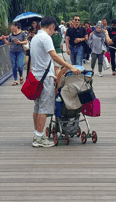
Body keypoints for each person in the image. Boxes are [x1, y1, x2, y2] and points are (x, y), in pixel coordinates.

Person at [30, 16, 81, 148]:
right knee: (43, 108)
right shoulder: (46, 38)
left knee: (37, 107)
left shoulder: (35, 37)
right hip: (44, 78)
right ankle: (39, 139)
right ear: (51, 26)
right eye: (53, 29)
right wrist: (70, 67)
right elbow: (54, 56)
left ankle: (37, 134)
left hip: (36, 76)